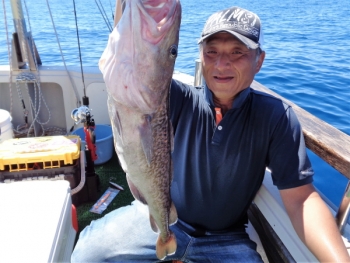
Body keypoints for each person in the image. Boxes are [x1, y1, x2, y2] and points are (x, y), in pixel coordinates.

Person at [71, 6, 350, 263]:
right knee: (87, 253)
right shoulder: (174, 98)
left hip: (227, 237)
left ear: (259, 60)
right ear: (200, 56)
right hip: (161, 218)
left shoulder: (276, 117)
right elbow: (142, 73)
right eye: (211, 51)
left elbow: (301, 199)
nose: (221, 64)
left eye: (237, 52)